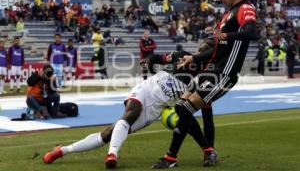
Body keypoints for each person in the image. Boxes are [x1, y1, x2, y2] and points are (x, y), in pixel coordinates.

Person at [152, 0, 258, 169]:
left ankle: (172, 157)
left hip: (224, 74)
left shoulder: (245, 8)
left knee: (185, 109)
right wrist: (195, 58)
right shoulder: (228, 14)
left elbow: (253, 33)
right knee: (181, 108)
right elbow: (219, 48)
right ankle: (204, 152)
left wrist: (226, 35)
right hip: (211, 70)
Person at [42, 49, 215, 168]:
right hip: (145, 90)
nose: (201, 51)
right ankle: (112, 155)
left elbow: (198, 116)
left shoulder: (203, 80)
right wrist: (149, 69)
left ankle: (62, 151)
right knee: (130, 114)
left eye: (206, 50)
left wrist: (207, 147)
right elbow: (156, 58)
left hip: (155, 109)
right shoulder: (181, 56)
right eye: (202, 47)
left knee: (108, 134)